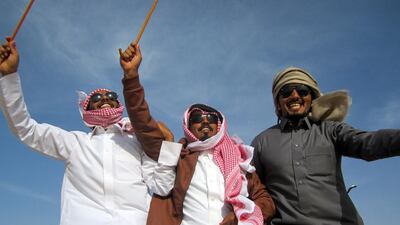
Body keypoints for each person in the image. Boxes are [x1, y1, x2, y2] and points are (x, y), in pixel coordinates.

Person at [0, 39, 181, 225]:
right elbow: (25, 129)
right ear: (86, 108)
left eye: (111, 97)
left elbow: (161, 186)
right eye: (96, 97)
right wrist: (9, 76)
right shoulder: (75, 143)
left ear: (119, 105)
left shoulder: (137, 143)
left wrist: (168, 146)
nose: (105, 99)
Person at [251, 67, 400, 225]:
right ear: (278, 103)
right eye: (286, 92)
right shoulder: (261, 143)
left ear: (312, 98)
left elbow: (367, 143)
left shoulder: (330, 130)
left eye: (302, 90)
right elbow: (252, 191)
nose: (295, 96)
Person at [130, 103, 276, 225]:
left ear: (219, 125)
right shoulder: (179, 156)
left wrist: (240, 217)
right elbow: (161, 188)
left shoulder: (239, 159)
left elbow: (264, 200)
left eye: (212, 118)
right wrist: (169, 142)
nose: (205, 122)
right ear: (188, 125)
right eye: (197, 118)